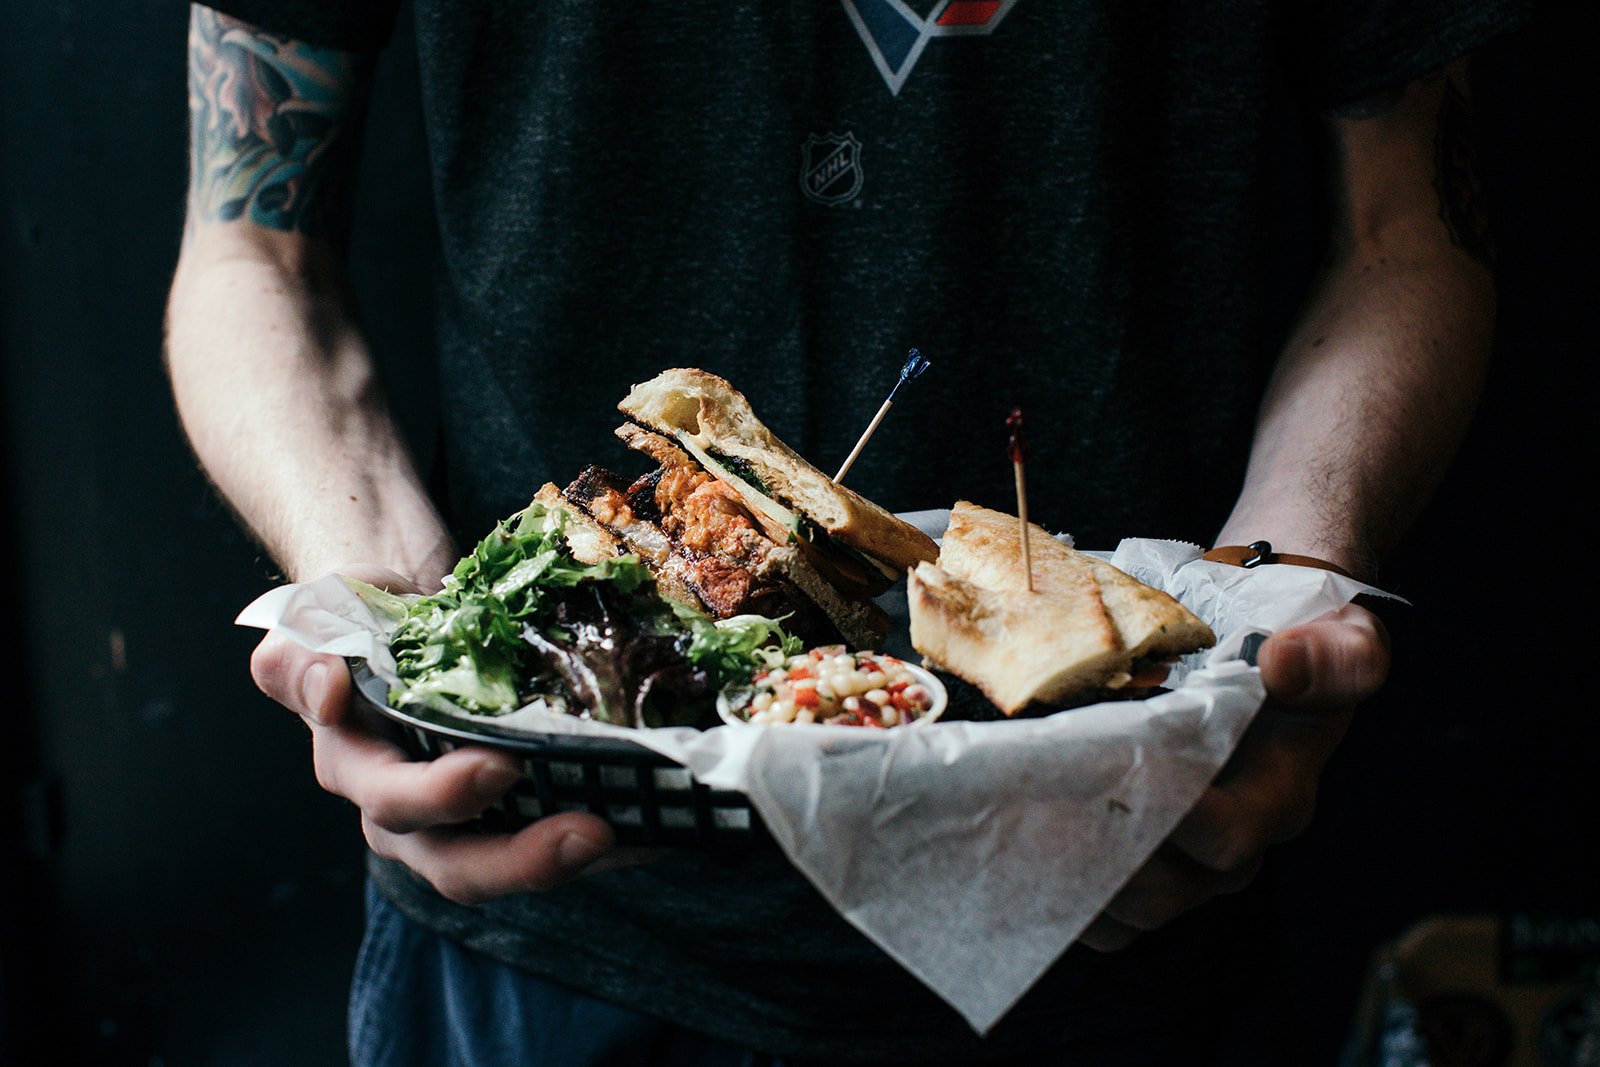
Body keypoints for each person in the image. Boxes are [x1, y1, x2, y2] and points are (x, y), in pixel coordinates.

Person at [165, 2, 1518, 1062]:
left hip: (1115, 897)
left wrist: (1271, 618)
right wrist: (390, 629)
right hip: (539, 925)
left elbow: (1415, 236)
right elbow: (251, 251)